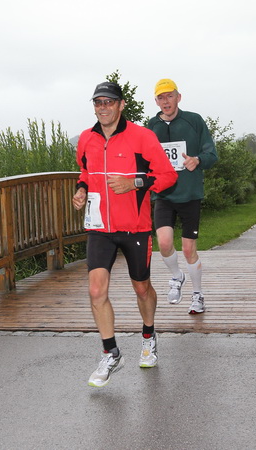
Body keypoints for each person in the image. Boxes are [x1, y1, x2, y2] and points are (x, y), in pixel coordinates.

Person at [73, 81, 178, 387]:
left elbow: (167, 176)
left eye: (109, 102)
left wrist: (135, 183)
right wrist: (81, 190)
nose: (103, 107)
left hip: (135, 227)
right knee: (96, 290)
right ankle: (111, 353)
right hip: (99, 228)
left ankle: (148, 336)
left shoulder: (142, 137)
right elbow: (85, 172)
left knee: (142, 288)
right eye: (98, 102)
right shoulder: (86, 138)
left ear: (121, 105)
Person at [147, 79, 218, 314]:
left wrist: (197, 160)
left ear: (179, 97)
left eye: (170, 96)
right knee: (164, 243)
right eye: (161, 97)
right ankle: (177, 276)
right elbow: (143, 158)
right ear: (156, 101)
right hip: (163, 194)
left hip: (190, 194)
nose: (166, 101)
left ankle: (198, 295)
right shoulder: (151, 126)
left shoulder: (194, 120)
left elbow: (211, 154)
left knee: (188, 250)